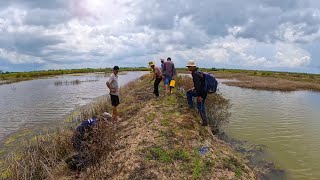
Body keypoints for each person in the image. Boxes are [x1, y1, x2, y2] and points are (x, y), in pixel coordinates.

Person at [186, 60, 208, 126]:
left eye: (189, 66)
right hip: (204, 91)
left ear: (193, 67)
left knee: (201, 106)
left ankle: (204, 122)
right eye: (188, 66)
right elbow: (200, 84)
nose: (188, 68)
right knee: (189, 92)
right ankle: (192, 109)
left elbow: (198, 85)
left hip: (201, 93)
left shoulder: (195, 73)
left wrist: (199, 96)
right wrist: (194, 88)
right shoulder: (198, 71)